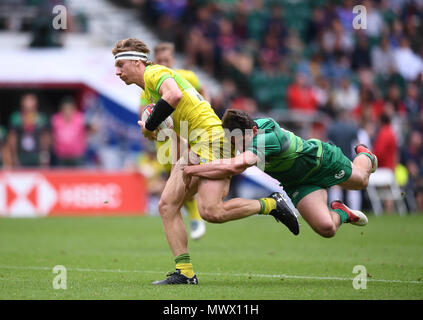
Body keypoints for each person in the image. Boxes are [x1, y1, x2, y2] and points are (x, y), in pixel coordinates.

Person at [113, 38, 299, 285]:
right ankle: (186, 273)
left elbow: (175, 95)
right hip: (195, 143)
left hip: (213, 141)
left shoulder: (154, 72)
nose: (117, 72)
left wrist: (151, 123)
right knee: (167, 206)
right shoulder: (147, 90)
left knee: (211, 211)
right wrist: (154, 129)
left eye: (121, 65)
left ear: (137, 62)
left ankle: (270, 204)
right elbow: (177, 115)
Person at [183, 109, 378, 240]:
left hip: (321, 162)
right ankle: (342, 212)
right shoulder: (241, 134)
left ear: (253, 130)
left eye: (243, 141)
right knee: (327, 229)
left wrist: (192, 169)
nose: (240, 147)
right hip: (298, 184)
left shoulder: (267, 139)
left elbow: (235, 167)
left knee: (362, 180)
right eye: (236, 142)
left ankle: (365, 154)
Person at [140, 42, 208, 240]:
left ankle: (195, 216)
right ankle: (192, 215)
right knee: (177, 180)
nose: (163, 64)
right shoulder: (149, 84)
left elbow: (204, 92)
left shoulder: (187, 76)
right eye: (159, 61)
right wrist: (147, 125)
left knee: (182, 176)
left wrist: (205, 106)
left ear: (173, 61)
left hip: (186, 131)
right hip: (163, 138)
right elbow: (143, 111)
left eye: (166, 61)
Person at [51, 97, 87, 167]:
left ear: (74, 109)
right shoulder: (56, 119)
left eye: (70, 109)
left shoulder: (80, 118)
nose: (67, 111)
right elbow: (52, 135)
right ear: (61, 109)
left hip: (77, 155)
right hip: (61, 155)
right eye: (65, 109)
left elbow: (89, 130)